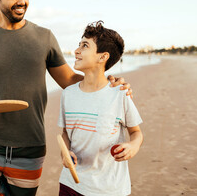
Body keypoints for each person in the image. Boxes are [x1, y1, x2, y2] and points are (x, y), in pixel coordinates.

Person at [0, 0, 132, 196]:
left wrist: (108, 84)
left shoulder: (44, 38)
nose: (22, 1)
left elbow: (69, 79)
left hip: (29, 149)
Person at [58, 21, 143, 196]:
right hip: (70, 183)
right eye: (79, 44)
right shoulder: (68, 94)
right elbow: (66, 133)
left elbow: (137, 132)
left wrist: (133, 146)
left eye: (85, 46)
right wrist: (65, 152)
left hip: (109, 189)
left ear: (102, 57)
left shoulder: (119, 93)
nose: (76, 51)